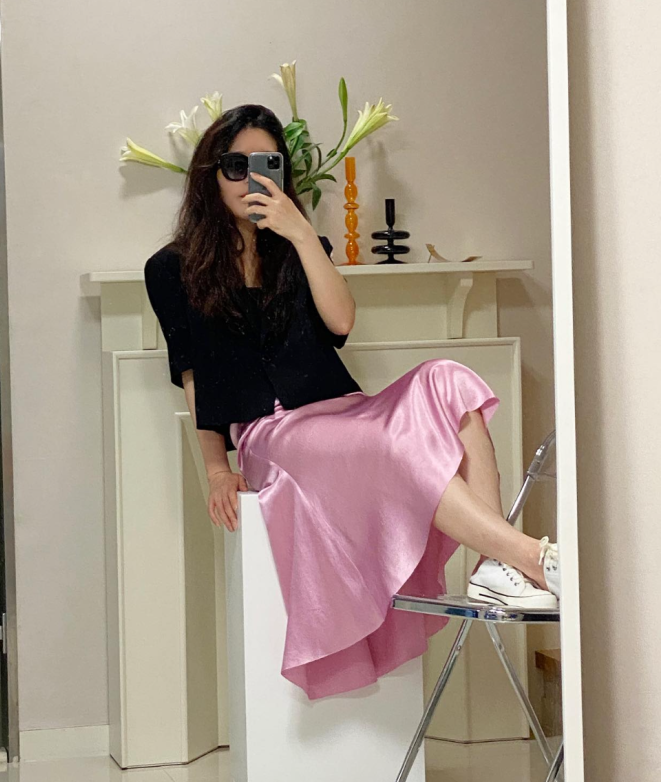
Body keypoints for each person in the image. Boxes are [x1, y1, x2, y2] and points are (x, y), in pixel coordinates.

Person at [144, 103, 560, 700]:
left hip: (340, 410)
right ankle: (531, 558)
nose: (250, 179)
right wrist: (215, 469)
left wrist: (298, 234)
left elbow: (341, 322)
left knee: (450, 381)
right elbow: (192, 375)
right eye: (236, 166)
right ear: (211, 173)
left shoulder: (297, 244)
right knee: (391, 446)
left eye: (266, 165)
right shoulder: (171, 268)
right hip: (271, 432)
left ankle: (493, 566)